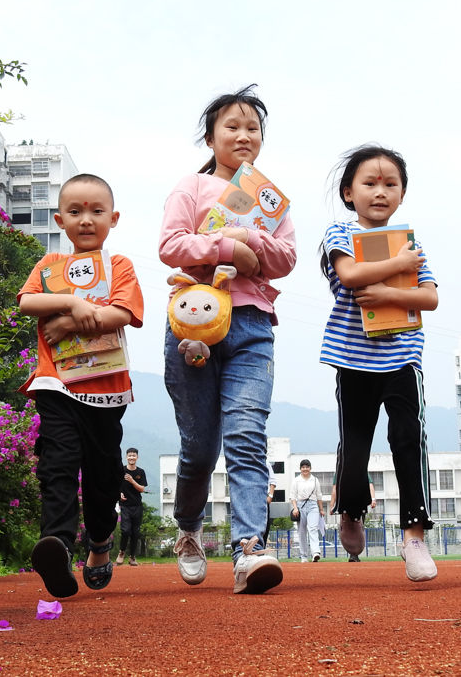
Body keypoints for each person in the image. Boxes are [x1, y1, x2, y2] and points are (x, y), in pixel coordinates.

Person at [159, 85, 297, 595]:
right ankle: (190, 530)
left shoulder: (268, 197)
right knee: (199, 449)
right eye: (232, 127)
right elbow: (170, 246)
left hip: (254, 326)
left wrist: (253, 241)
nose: (243, 135)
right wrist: (226, 243)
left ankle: (248, 550)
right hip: (195, 323)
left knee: (245, 436)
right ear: (211, 136)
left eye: (252, 128)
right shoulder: (190, 190)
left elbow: (285, 258)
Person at [19, 173, 145, 598]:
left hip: (106, 390)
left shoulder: (119, 266)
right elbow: (27, 302)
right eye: (75, 212)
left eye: (96, 211)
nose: (86, 220)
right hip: (55, 384)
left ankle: (99, 543)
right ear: (59, 219)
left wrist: (72, 320)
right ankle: (54, 541)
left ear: (114, 218)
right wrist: (72, 300)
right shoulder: (48, 267)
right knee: (56, 462)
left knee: (102, 477)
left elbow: (122, 314)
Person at [319, 145, 440, 582]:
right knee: (356, 444)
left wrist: (392, 291)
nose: (380, 191)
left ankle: (414, 535)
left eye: (391, 184)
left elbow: (430, 298)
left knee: (408, 438)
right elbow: (350, 276)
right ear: (349, 193)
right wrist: (397, 266)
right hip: (352, 357)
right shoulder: (339, 233)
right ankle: (350, 508)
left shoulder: (411, 244)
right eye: (369, 183)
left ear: (402, 195)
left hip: (403, 356)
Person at [330, 477, 375, 561]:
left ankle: (354, 554)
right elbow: (335, 489)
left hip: (360, 504)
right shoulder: (340, 470)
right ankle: (353, 554)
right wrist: (332, 505)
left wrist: (373, 499)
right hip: (346, 504)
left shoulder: (361, 468)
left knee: (359, 528)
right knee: (349, 528)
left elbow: (370, 484)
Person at [116, 447, 147, 566]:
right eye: (129, 455)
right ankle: (121, 552)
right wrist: (118, 493)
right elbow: (115, 484)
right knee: (125, 530)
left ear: (137, 457)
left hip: (137, 505)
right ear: (126, 457)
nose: (131, 457)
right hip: (125, 505)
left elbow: (142, 489)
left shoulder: (141, 472)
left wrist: (132, 481)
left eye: (134, 455)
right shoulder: (121, 470)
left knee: (135, 532)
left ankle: (132, 557)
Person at [290, 460, 326, 562]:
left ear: (310, 468)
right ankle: (304, 556)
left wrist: (321, 509)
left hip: (313, 505)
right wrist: (295, 508)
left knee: (313, 528)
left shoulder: (315, 480)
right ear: (300, 469)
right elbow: (292, 496)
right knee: (301, 532)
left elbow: (319, 496)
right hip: (300, 506)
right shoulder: (296, 480)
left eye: (307, 467)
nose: (305, 469)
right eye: (303, 467)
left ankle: (315, 553)